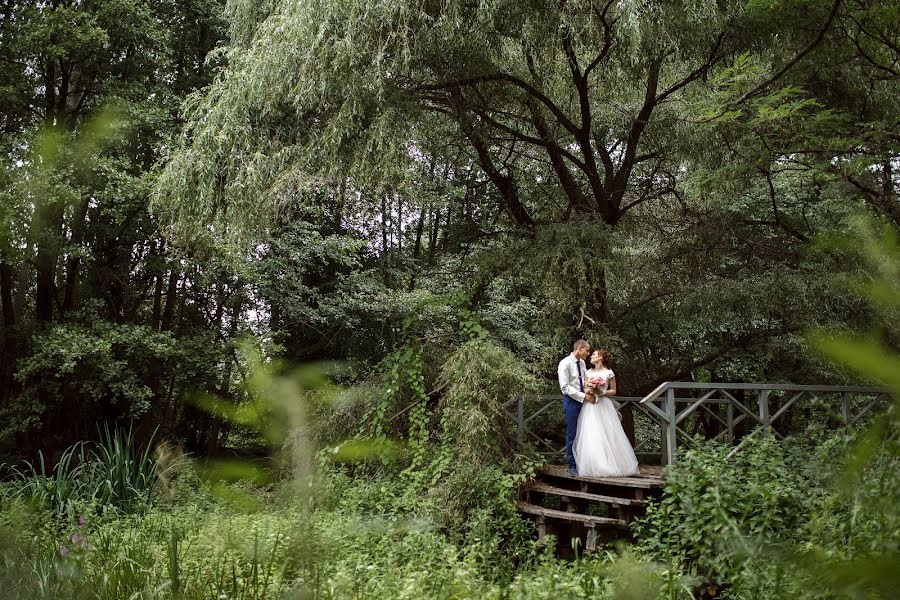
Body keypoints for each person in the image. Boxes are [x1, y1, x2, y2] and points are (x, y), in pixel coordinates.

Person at [572, 349, 639, 477]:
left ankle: (612, 463)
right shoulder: (588, 372)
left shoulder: (609, 373)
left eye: (594, 355)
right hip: (591, 405)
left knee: (608, 433)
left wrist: (601, 392)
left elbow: (613, 390)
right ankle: (595, 464)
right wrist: (591, 389)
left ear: (601, 357)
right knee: (592, 433)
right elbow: (585, 388)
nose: (591, 356)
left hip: (604, 405)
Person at [557, 340, 595, 477]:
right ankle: (572, 465)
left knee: (586, 432)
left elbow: (584, 380)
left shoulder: (583, 363)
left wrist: (591, 390)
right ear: (579, 348)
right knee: (572, 433)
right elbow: (565, 387)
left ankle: (584, 463)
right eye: (587, 350)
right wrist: (582, 396)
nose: (588, 353)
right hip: (572, 401)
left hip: (585, 400)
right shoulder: (565, 364)